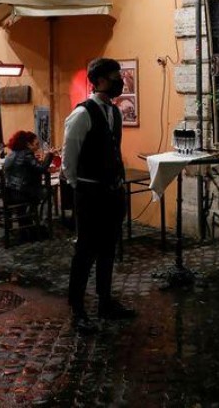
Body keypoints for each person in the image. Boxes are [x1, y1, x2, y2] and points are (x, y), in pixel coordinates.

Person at [63, 57, 136, 332]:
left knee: (108, 249)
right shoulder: (82, 114)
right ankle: (78, 309)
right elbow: (69, 156)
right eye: (117, 76)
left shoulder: (115, 113)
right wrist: (79, 187)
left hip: (112, 192)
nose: (121, 81)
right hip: (90, 193)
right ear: (102, 80)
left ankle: (105, 302)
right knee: (84, 252)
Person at [2, 130, 53, 240]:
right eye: (36, 144)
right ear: (27, 144)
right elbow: (41, 169)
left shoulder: (11, 154)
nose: (37, 147)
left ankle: (26, 225)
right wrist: (50, 155)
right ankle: (42, 223)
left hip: (9, 193)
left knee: (36, 192)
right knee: (48, 193)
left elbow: (24, 170)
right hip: (21, 194)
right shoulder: (26, 154)